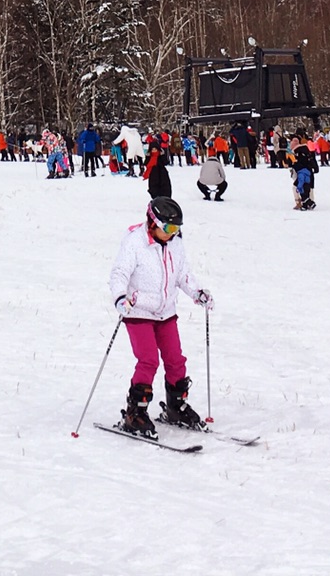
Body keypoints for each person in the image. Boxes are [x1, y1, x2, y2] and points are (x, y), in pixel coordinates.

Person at [108, 197, 213, 437]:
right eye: (168, 228)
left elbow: (182, 274)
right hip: (138, 311)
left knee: (176, 359)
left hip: (166, 312)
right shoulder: (135, 242)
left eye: (177, 229)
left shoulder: (175, 243)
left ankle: (176, 406)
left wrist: (197, 293)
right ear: (153, 222)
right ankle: (136, 412)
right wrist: (120, 298)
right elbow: (120, 273)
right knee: (148, 360)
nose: (172, 233)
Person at [142, 135, 173, 201]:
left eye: (155, 149)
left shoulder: (160, 156)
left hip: (162, 173)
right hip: (153, 174)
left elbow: (165, 162)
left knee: (164, 186)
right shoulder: (150, 157)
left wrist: (162, 155)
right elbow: (146, 163)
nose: (154, 151)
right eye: (152, 150)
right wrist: (148, 156)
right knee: (153, 187)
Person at [290, 141, 318, 210]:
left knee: (296, 187)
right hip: (310, 173)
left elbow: (296, 165)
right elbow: (314, 163)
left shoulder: (297, 154)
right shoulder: (308, 151)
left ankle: (300, 202)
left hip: (302, 173)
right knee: (310, 188)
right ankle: (310, 202)